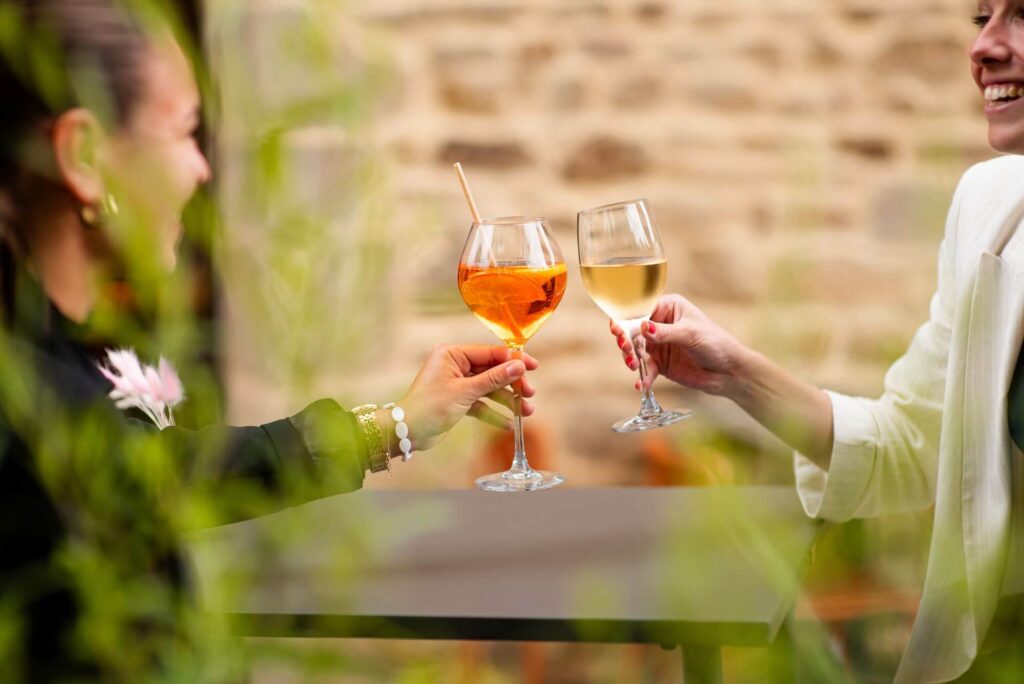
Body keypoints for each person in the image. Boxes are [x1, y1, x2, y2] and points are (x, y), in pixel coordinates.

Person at [0, 0, 536, 679]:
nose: (202, 169)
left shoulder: (64, 353)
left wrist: (401, 422)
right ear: (84, 157)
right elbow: (171, 478)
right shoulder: (31, 399)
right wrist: (393, 428)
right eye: (185, 132)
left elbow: (175, 466)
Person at [613, 2, 1024, 681]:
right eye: (982, 15)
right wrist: (733, 372)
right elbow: (908, 444)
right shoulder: (991, 207)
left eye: (1022, 15)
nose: (984, 47)